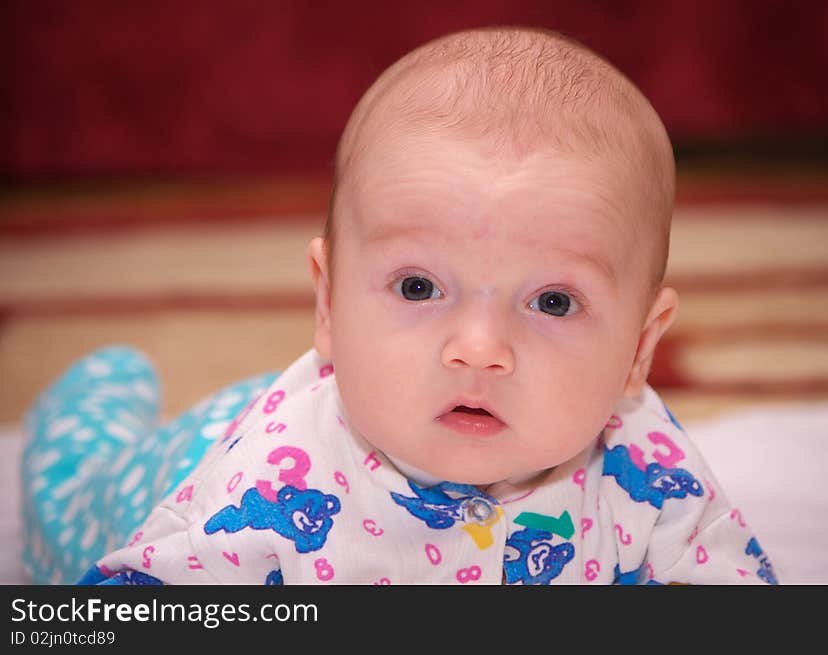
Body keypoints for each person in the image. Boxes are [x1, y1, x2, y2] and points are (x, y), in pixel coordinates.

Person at [33, 26, 778, 585]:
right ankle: (92, 401)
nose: (480, 347)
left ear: (639, 350)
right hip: (191, 451)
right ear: (326, 306)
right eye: (419, 287)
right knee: (71, 486)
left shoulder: (646, 465)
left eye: (553, 300)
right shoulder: (258, 496)